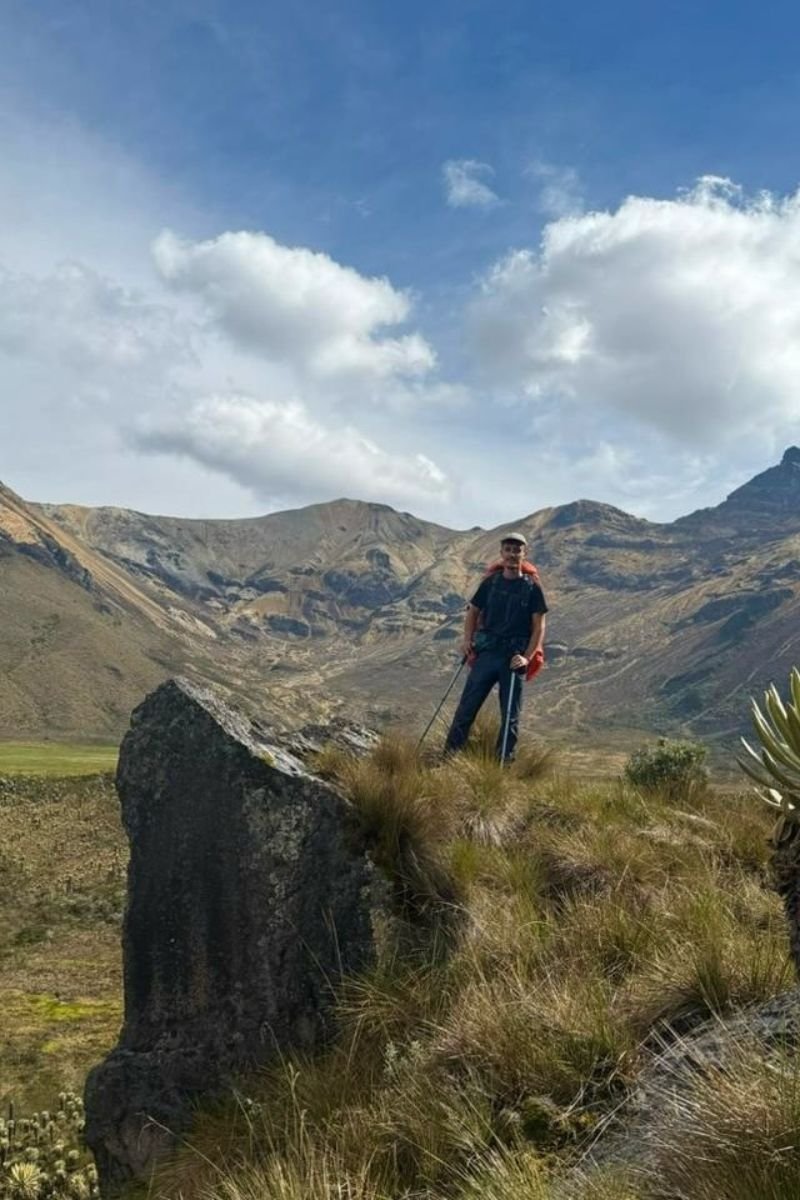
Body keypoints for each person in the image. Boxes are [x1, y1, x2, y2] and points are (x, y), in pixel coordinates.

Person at [444, 531, 548, 761]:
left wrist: (527, 658)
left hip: (513, 658)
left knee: (510, 715)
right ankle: (448, 759)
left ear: (524, 553)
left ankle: (503, 767)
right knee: (466, 710)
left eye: (517, 550)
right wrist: (467, 640)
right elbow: (473, 612)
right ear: (501, 553)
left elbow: (539, 627)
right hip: (487, 654)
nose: (512, 554)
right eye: (508, 550)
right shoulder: (490, 583)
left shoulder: (532, 588)